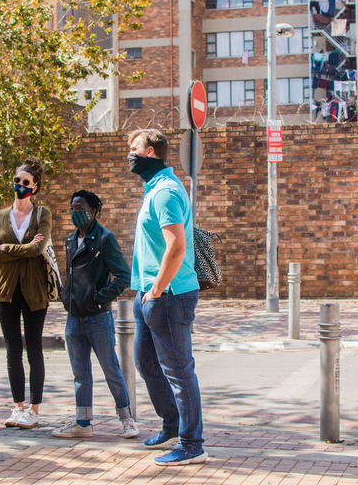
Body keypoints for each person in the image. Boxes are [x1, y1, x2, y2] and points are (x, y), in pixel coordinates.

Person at [126, 129, 206, 466]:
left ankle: (191, 444)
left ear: (150, 152)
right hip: (150, 294)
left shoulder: (166, 192)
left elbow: (176, 246)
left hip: (169, 295)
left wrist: (157, 289)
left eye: (133, 149)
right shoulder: (154, 189)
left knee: (178, 370)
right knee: (145, 362)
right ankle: (172, 425)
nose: (128, 155)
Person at [53, 190, 138, 439]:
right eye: (72, 208)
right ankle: (83, 423)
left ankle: (127, 420)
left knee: (111, 369)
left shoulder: (104, 238)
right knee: (80, 373)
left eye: (79, 208)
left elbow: (124, 276)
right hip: (74, 317)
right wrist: (65, 294)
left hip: (98, 317)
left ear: (93, 210)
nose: (74, 213)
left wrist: (98, 297)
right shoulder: (71, 241)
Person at [0, 157, 51, 429]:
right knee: (12, 349)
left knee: (34, 348)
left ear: (34, 187)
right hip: (6, 291)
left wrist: (7, 249)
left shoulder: (42, 214)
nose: (20, 186)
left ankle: (34, 410)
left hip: (35, 291)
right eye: (17, 181)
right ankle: (18, 408)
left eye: (26, 183)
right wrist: (12, 250)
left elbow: (38, 250)